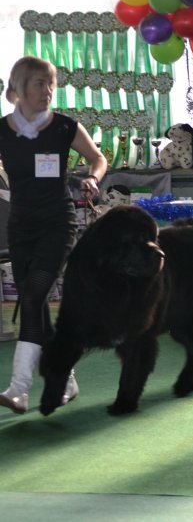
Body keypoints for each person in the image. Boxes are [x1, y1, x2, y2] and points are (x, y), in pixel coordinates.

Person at [0, 56, 106, 414]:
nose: (47, 91)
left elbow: (98, 159)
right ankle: (67, 377)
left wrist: (93, 178)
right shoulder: (3, 130)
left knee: (31, 298)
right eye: (38, 84)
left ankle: (18, 388)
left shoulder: (64, 127)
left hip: (58, 224)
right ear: (19, 89)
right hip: (21, 226)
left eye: (50, 84)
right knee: (36, 304)